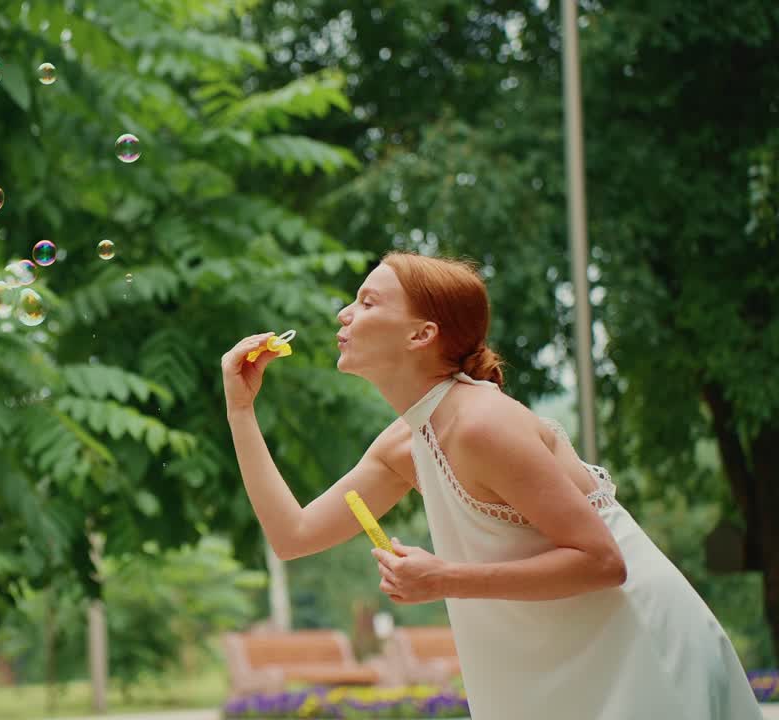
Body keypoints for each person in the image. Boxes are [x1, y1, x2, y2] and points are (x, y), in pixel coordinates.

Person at [221, 251, 762, 720]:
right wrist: (241, 408)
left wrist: (444, 578)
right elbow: (293, 536)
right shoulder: (408, 441)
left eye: (367, 302)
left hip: (639, 651)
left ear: (421, 334)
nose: (344, 312)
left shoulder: (481, 424)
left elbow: (604, 561)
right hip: (573, 662)